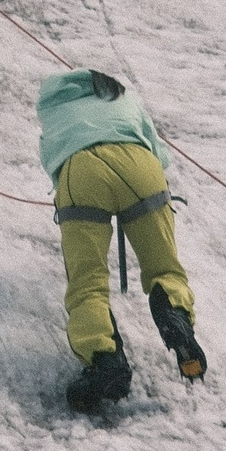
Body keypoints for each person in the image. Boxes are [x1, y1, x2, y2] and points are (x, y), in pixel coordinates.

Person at [36, 66, 209, 410]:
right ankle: (174, 311)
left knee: (88, 281)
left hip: (81, 171)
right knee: (164, 266)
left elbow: (51, 158)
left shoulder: (53, 107)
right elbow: (161, 153)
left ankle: (104, 360)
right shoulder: (125, 99)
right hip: (141, 167)